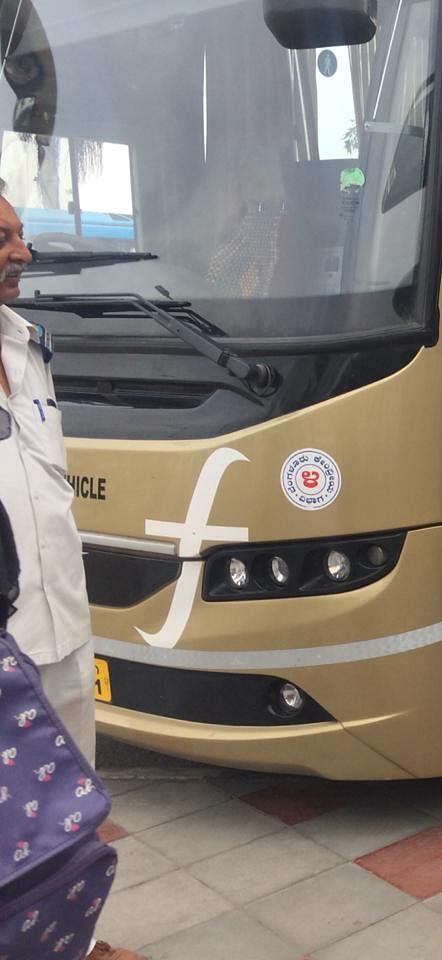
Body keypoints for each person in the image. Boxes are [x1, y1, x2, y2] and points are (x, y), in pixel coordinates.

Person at [0, 193, 144, 960]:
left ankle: (74, 943)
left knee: (68, 809)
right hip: (4, 649)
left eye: (21, 235)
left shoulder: (29, 345)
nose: (23, 253)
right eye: (3, 238)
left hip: (61, 629)